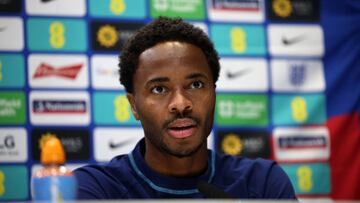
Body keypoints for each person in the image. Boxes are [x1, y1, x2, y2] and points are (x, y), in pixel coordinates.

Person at [74, 17, 297, 199]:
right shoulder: (95, 189)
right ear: (134, 105)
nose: (180, 104)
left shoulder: (263, 183)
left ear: (214, 93)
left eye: (196, 85)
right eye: (159, 89)